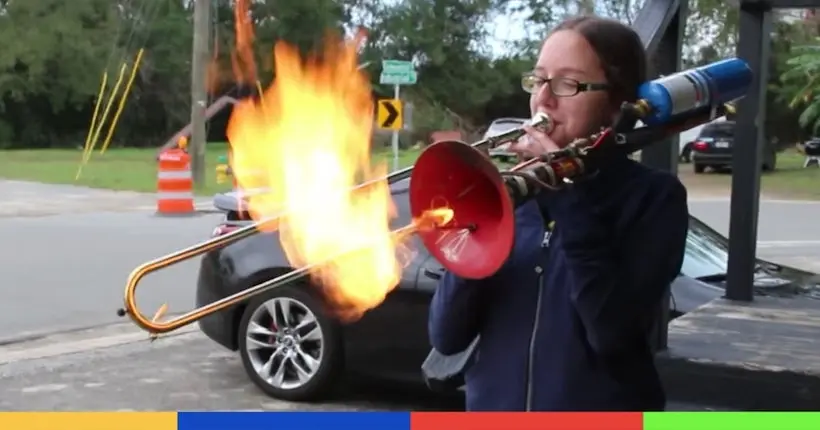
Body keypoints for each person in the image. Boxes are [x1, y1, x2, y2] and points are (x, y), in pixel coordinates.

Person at [427, 15, 690, 411]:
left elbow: (612, 336)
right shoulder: (513, 199)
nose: (543, 100)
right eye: (538, 80)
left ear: (615, 105)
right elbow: (447, 337)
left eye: (567, 84)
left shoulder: (654, 198)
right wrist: (480, 223)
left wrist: (568, 194)